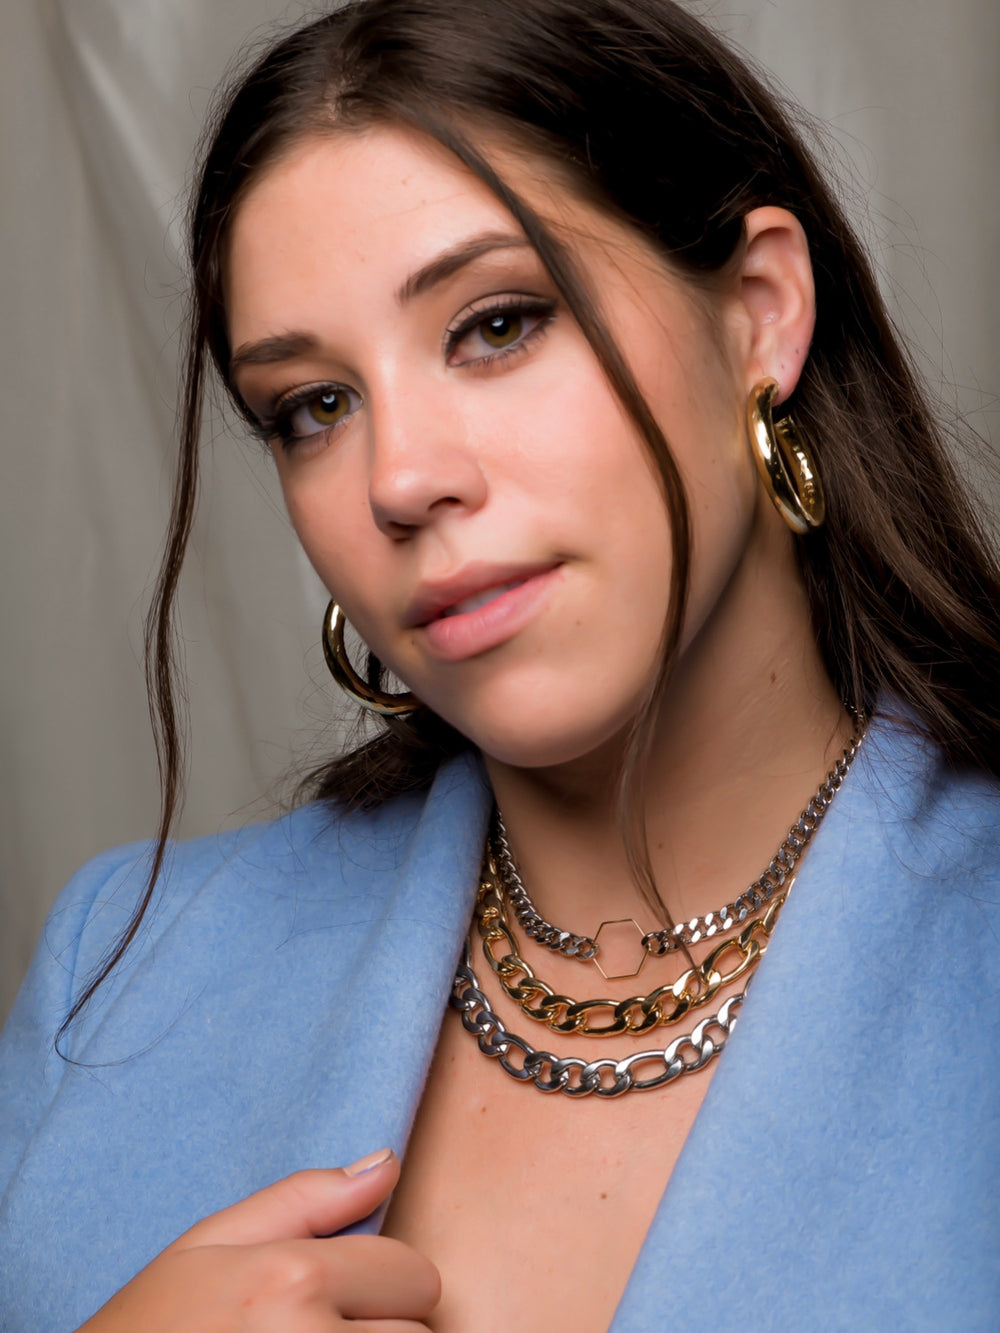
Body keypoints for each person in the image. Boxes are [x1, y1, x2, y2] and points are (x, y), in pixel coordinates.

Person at [2, 0, 999, 1328]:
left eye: (497, 325)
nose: (400, 479)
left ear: (758, 315)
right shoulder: (118, 973)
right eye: (314, 406)